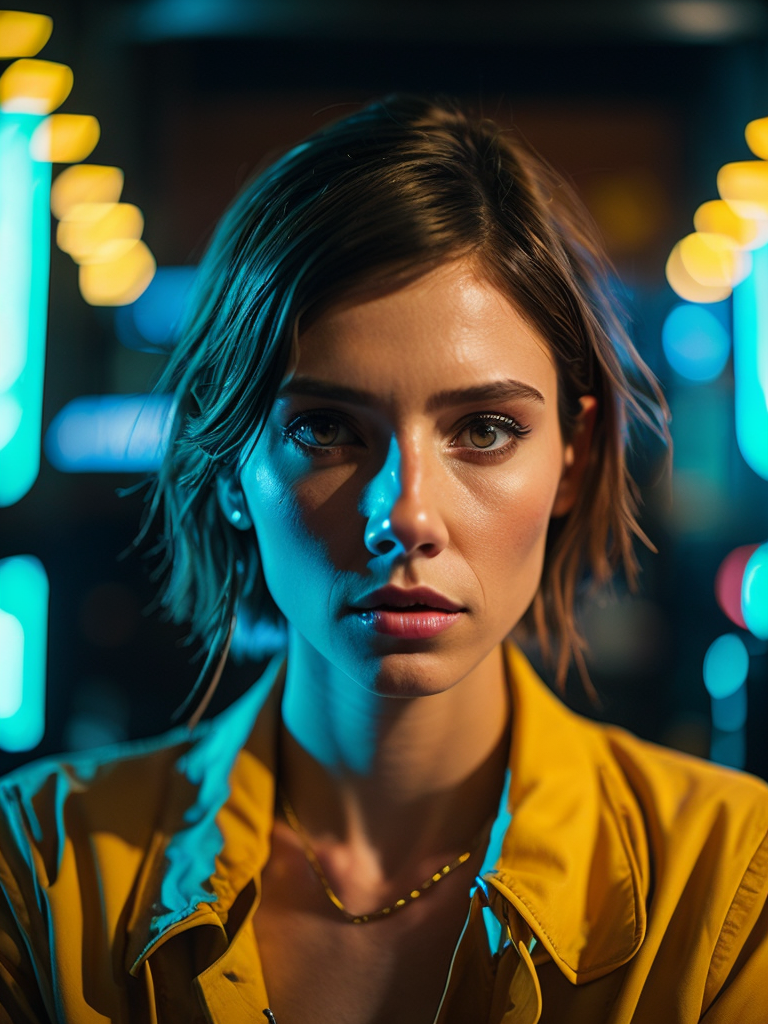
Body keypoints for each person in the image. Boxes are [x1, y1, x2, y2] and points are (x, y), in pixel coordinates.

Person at [1, 95, 767, 1024]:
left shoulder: (728, 878)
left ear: (573, 456)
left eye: (484, 429)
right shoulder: (45, 869)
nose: (405, 516)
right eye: (327, 429)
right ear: (232, 462)